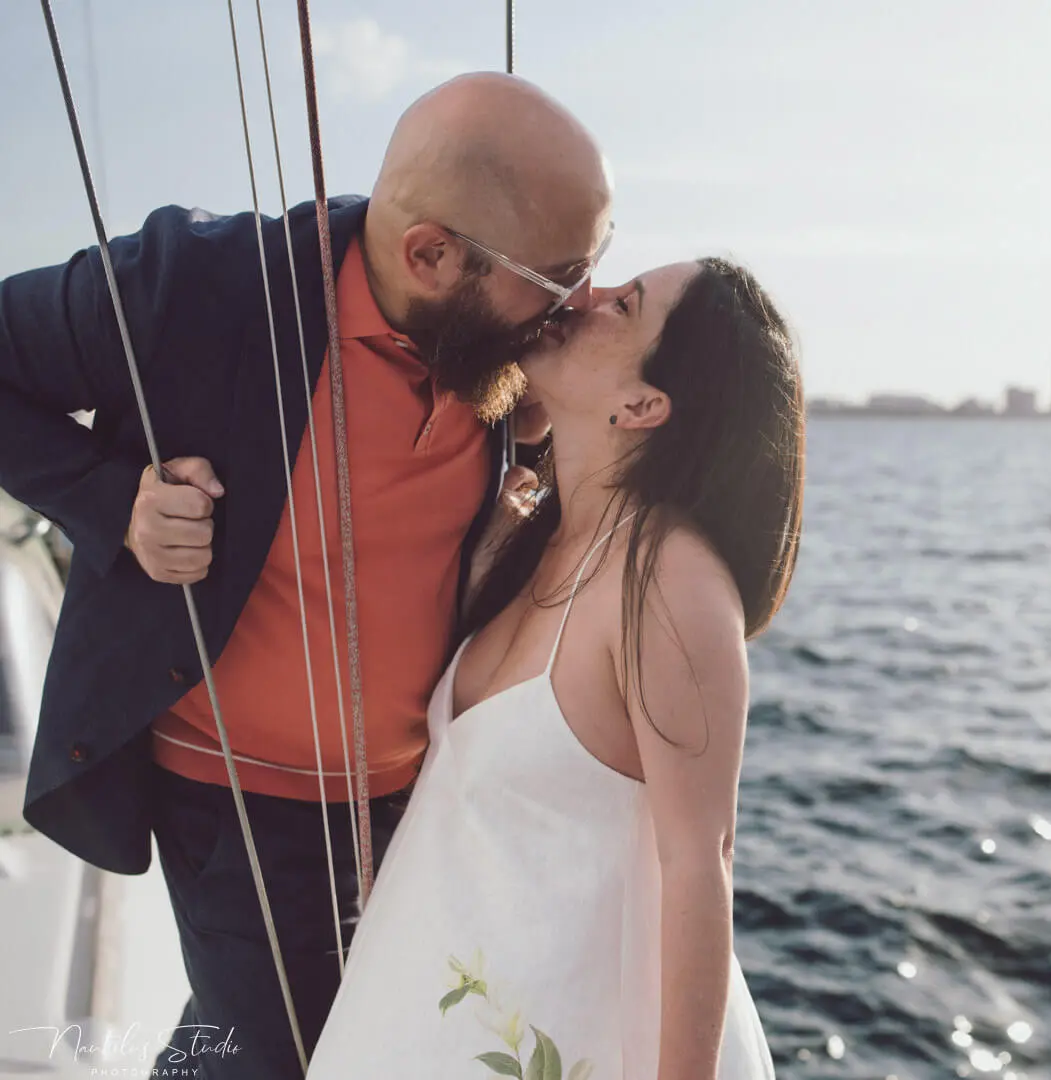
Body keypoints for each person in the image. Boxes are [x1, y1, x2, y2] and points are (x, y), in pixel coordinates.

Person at [0, 73, 610, 1077]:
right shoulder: (193, 285)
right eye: (562, 278)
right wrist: (120, 507)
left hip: (427, 799)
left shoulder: (498, 335)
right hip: (236, 804)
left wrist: (546, 448)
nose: (576, 310)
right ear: (431, 255)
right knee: (277, 1060)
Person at [305, 259, 795, 1077]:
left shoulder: (670, 581)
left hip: (580, 1043)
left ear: (643, 404)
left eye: (624, 304)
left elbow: (700, 865)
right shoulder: (526, 524)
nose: (586, 295)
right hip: (438, 1010)